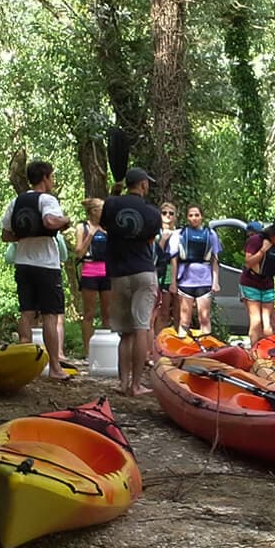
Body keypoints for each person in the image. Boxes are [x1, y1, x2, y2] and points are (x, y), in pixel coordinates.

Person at [0, 161, 72, 378]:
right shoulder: (47, 199)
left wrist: (26, 235)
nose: (53, 181)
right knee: (50, 315)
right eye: (52, 177)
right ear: (45, 178)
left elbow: (5, 235)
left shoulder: (16, 202)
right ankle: (55, 368)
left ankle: (24, 367)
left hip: (23, 263)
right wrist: (65, 220)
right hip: (46, 265)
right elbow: (49, 221)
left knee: (27, 312)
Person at [99, 167, 163, 395]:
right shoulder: (152, 213)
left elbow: (104, 225)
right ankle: (136, 385)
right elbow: (150, 240)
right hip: (143, 271)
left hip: (118, 272)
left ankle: (122, 383)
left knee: (125, 332)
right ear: (143, 185)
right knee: (141, 327)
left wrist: (114, 194)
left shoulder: (111, 204)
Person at [167, 205, 221, 333]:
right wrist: (173, 282)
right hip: (185, 282)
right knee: (184, 320)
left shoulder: (211, 234)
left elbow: (215, 260)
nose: (194, 218)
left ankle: (206, 344)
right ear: (187, 217)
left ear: (201, 217)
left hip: (204, 281)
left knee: (204, 319)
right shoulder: (179, 234)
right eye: (191, 215)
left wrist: (215, 282)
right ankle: (183, 343)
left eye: (197, 215)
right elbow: (174, 260)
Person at [241, 220, 275, 347]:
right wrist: (263, 251)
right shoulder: (256, 240)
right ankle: (255, 349)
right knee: (256, 320)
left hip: (268, 283)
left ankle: (269, 349)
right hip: (251, 282)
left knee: (268, 322)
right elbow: (248, 263)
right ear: (272, 235)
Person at [75, 197, 111, 349]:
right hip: (90, 272)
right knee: (89, 313)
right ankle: (88, 350)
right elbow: (79, 252)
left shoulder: (108, 227)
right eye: (102, 209)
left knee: (107, 313)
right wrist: (90, 235)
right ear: (94, 211)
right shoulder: (82, 227)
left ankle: (107, 347)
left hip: (107, 272)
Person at [151, 201, 178, 343]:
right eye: (164, 213)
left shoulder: (179, 233)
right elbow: (154, 255)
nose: (168, 216)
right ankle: (156, 343)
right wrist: (163, 239)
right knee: (160, 312)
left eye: (171, 213)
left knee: (176, 312)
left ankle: (176, 343)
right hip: (159, 273)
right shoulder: (155, 233)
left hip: (178, 274)